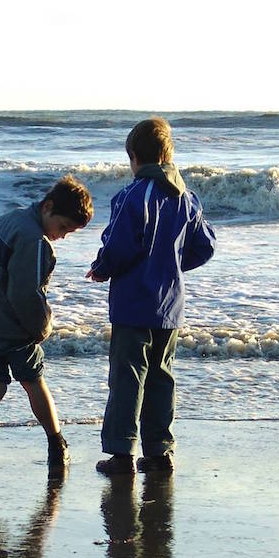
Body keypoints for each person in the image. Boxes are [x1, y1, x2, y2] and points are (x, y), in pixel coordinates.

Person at [86, 117, 215, 475]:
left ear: (135, 158)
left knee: (127, 376)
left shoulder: (132, 195)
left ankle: (122, 453)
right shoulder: (187, 198)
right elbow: (205, 246)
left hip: (133, 302)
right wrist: (172, 264)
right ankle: (160, 452)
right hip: (170, 303)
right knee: (161, 376)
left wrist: (102, 267)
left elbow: (118, 246)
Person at [0, 175, 93, 481]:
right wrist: (40, 329)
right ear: (48, 207)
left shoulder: (4, 221)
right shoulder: (33, 241)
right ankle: (56, 444)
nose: (63, 236)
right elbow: (25, 294)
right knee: (33, 380)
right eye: (63, 228)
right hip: (10, 329)